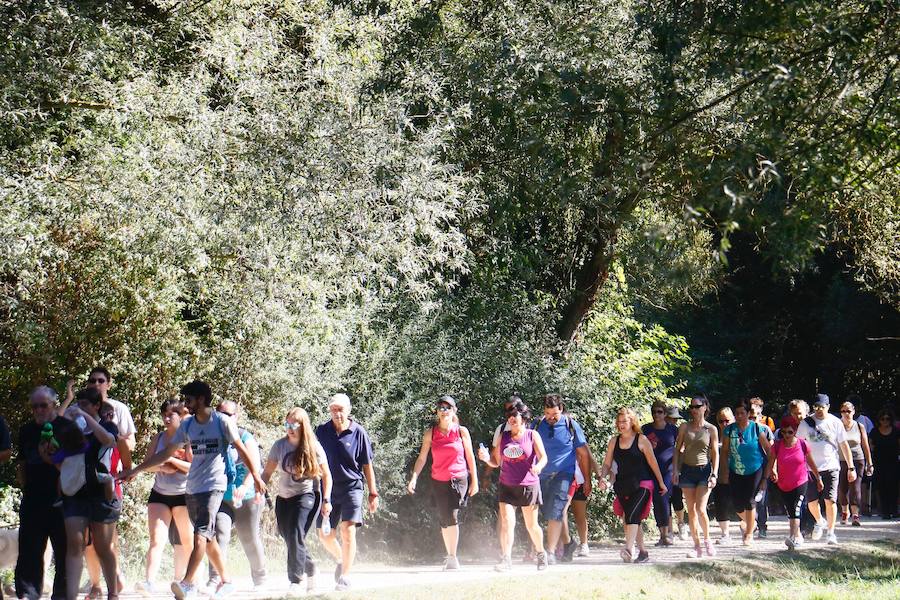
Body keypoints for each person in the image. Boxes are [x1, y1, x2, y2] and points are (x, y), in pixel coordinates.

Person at [118, 380, 265, 600]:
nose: (185, 405)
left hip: (215, 485)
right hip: (193, 487)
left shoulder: (222, 422)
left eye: (188, 400)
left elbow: (243, 451)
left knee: (199, 535)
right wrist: (137, 470)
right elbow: (166, 452)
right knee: (208, 538)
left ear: (202, 399)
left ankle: (186, 583)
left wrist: (255, 476)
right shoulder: (188, 426)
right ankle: (227, 581)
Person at [56, 388, 120, 600]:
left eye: (85, 404)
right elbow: (60, 459)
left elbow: (108, 440)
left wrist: (85, 417)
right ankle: (71, 596)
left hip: (100, 492)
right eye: (79, 404)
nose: (80, 408)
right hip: (75, 492)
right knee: (75, 545)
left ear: (96, 406)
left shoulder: (106, 424)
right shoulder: (71, 430)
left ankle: (113, 593)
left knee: (103, 547)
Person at [262, 407, 332, 595]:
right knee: (289, 538)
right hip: (283, 498)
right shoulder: (279, 445)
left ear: (303, 426)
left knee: (294, 534)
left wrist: (327, 500)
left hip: (307, 496)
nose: (290, 428)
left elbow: (327, 476)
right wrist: (258, 490)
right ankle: (311, 567)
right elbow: (267, 472)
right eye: (287, 424)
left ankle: (296, 580)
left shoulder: (313, 447)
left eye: (294, 424)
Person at [315, 393, 379, 592]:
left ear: (348, 410)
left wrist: (373, 493)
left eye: (340, 409)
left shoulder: (358, 432)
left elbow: (367, 465)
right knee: (324, 534)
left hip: (352, 487)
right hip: (328, 488)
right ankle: (341, 558)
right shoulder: (322, 431)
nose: (337, 413)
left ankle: (345, 576)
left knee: (348, 530)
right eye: (333, 409)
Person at [407, 396, 479, 570]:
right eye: (441, 408)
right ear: (437, 412)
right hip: (438, 479)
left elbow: (470, 456)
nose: (444, 411)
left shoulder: (461, 431)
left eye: (447, 408)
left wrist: (474, 481)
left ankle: (453, 557)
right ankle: (450, 554)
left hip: (458, 478)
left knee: (452, 515)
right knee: (444, 518)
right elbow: (422, 458)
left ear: (454, 410)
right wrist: (414, 478)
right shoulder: (430, 433)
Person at [477, 400, 549, 571]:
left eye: (514, 416)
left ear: (523, 418)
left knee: (532, 526)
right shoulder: (504, 437)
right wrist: (486, 458)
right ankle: (506, 559)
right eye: (509, 416)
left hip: (528, 485)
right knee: (507, 522)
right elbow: (496, 461)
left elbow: (544, 457)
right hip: (507, 485)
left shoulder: (532, 435)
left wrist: (538, 467)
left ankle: (541, 553)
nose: (511, 419)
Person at [207, 401, 267, 591]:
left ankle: (260, 578)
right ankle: (215, 579)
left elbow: (255, 466)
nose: (224, 417)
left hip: (247, 496)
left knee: (248, 538)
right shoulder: (212, 437)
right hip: (222, 497)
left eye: (228, 414)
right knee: (218, 535)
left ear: (236, 417)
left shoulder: (245, 437)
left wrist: (245, 486)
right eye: (220, 413)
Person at [14, 386, 68, 600]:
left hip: (62, 499)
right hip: (33, 498)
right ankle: (28, 594)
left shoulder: (67, 428)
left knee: (64, 552)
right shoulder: (26, 430)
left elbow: (75, 464)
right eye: (34, 406)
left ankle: (62, 595)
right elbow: (21, 463)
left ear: (54, 405)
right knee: (29, 550)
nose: (38, 409)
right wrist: (24, 487)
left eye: (43, 405)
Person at [136, 399, 194, 595]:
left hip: (183, 495)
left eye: (171, 414)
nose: (167, 418)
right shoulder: (158, 438)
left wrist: (171, 460)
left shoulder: (187, 438)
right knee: (156, 540)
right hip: (159, 494)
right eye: (164, 414)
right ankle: (149, 582)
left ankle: (189, 582)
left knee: (188, 541)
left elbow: (193, 467)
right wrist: (162, 467)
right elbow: (147, 465)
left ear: (181, 416)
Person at [597, 407, 668, 563]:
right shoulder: (614, 441)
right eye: (619, 422)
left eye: (625, 421)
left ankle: (628, 549)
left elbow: (653, 462)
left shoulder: (641, 440)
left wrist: (661, 483)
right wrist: (602, 478)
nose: (621, 425)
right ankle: (643, 552)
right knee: (628, 517)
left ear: (632, 421)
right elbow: (607, 463)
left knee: (631, 514)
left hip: (643, 483)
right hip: (623, 484)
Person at [531, 394, 590, 563]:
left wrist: (587, 480)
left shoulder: (571, 425)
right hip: (541, 474)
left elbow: (583, 454)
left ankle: (549, 552)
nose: (550, 418)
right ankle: (569, 543)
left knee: (556, 510)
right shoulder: (536, 425)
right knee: (546, 512)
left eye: (554, 414)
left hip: (564, 474)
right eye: (547, 413)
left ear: (561, 410)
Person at [797, 394, 857, 544]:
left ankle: (831, 533)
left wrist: (851, 467)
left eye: (821, 407)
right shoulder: (806, 423)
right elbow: (798, 445)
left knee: (830, 500)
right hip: (810, 469)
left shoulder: (836, 422)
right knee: (811, 502)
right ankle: (819, 520)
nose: (818, 410)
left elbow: (844, 446)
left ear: (828, 407)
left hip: (831, 467)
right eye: (816, 407)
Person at [765, 415, 823, 549]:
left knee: (797, 508)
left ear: (795, 431)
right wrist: (767, 477)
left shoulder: (802, 444)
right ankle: (797, 536)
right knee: (791, 511)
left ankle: (792, 537)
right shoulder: (777, 446)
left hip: (800, 482)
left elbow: (811, 463)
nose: (786, 435)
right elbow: (771, 463)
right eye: (783, 432)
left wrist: (818, 478)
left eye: (790, 432)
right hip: (784, 484)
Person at [672, 395, 719, 557]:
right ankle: (697, 546)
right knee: (690, 511)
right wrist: (675, 471)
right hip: (687, 471)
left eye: (697, 406)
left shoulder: (711, 429)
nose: (693, 410)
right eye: (691, 407)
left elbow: (715, 453)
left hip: (704, 470)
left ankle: (707, 541)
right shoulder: (684, 427)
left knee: (700, 509)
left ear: (704, 407)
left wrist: (714, 474)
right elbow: (677, 450)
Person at [721, 398, 771, 546]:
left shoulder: (757, 428)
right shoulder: (729, 430)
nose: (739, 416)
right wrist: (724, 471)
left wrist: (769, 471)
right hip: (736, 469)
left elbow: (769, 450)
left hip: (755, 469)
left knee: (750, 501)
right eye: (736, 413)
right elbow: (724, 452)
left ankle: (749, 534)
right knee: (737, 504)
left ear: (748, 413)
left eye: (742, 413)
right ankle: (751, 522)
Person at [641, 401, 678, 546]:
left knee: (664, 499)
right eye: (654, 412)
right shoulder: (646, 429)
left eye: (660, 412)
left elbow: (679, 449)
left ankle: (668, 533)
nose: (657, 414)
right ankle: (662, 534)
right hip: (650, 470)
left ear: (665, 414)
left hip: (667, 470)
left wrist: (676, 469)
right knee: (657, 500)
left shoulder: (673, 429)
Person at [838, 401, 873, 526]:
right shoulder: (837, 425)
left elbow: (865, 445)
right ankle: (844, 511)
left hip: (857, 459)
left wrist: (870, 463)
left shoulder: (859, 426)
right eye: (843, 411)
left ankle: (855, 515)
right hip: (841, 460)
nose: (846, 413)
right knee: (842, 487)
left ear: (853, 412)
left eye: (848, 411)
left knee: (855, 487)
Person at [748, 401, 774, 539]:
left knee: (761, 499)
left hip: (763, 468)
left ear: (760, 416)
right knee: (749, 498)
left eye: (755, 416)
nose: (753, 419)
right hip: (747, 468)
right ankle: (751, 524)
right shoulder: (742, 430)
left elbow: (772, 452)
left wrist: (773, 469)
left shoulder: (765, 430)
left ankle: (762, 526)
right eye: (750, 417)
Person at [711, 408, 736, 544]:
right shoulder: (713, 435)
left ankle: (749, 526)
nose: (724, 424)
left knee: (741, 504)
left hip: (738, 474)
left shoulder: (739, 434)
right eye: (721, 421)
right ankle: (725, 534)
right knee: (721, 505)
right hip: (719, 476)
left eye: (727, 420)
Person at [869, 407, 899, 519]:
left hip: (894, 463)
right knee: (882, 488)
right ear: (879, 420)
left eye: (887, 418)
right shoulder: (874, 432)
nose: (885, 421)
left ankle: (894, 510)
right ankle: (885, 511)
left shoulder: (896, 431)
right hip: (879, 463)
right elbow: (870, 447)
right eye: (883, 418)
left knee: (893, 487)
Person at [664, 407, 687, 540]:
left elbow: (682, 449)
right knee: (666, 501)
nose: (673, 421)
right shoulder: (660, 430)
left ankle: (681, 523)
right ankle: (670, 531)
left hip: (676, 469)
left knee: (677, 499)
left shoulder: (677, 431)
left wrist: (679, 468)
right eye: (671, 418)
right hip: (663, 470)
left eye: (675, 419)